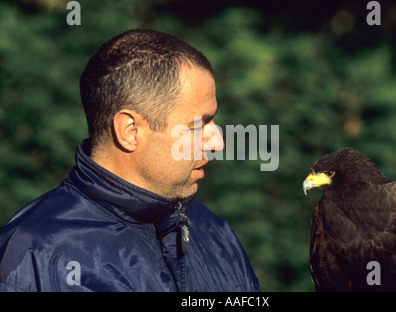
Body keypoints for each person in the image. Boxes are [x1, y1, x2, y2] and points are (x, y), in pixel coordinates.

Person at [0, 29, 260, 292]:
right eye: (198, 125)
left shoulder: (215, 234)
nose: (218, 143)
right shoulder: (34, 258)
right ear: (130, 131)